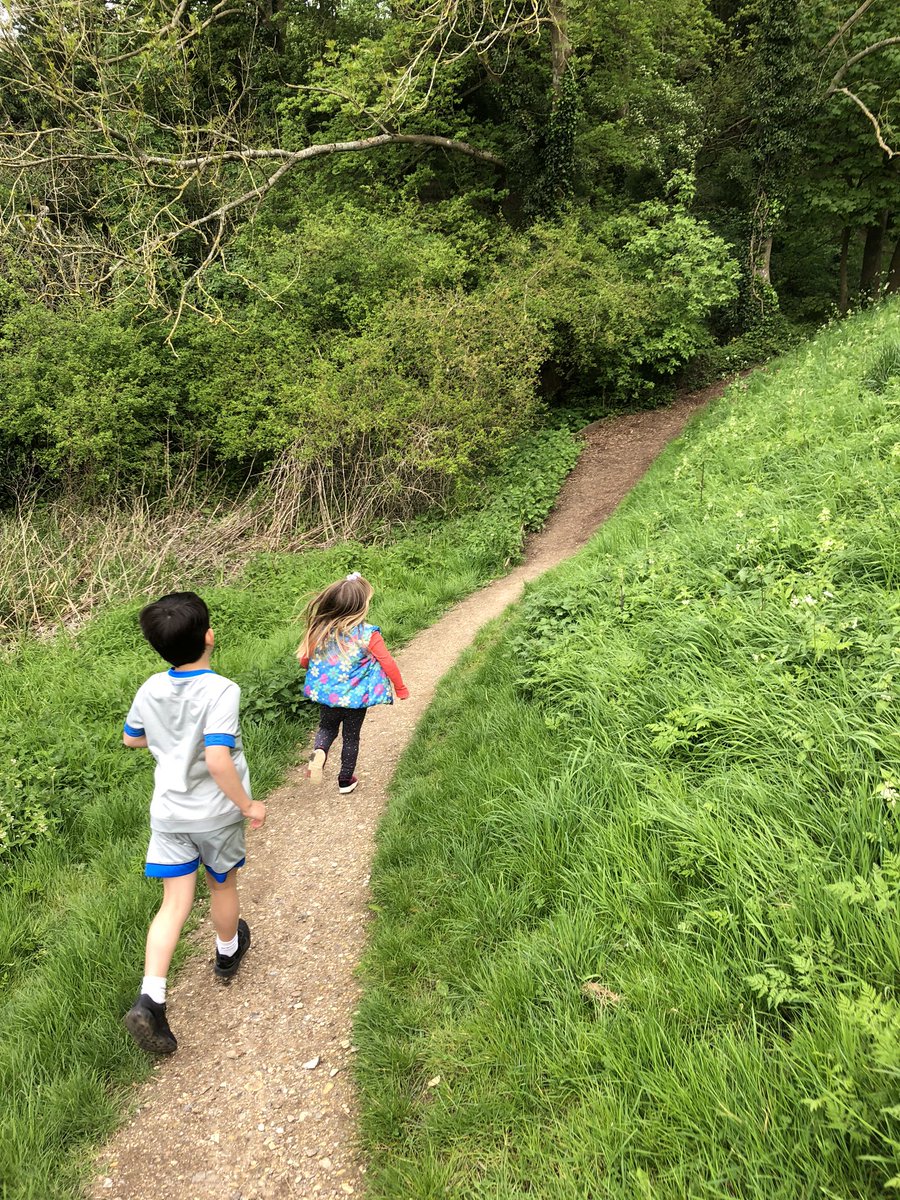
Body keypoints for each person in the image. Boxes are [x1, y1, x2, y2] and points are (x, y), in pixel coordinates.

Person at [121, 591, 266, 1055]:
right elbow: (218, 759)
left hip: (169, 814)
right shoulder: (221, 689)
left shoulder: (150, 687)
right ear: (209, 636)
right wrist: (248, 805)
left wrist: (170, 740)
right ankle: (227, 953)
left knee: (173, 904)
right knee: (222, 886)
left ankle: (151, 998)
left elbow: (132, 739)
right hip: (215, 815)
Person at [297, 573, 409, 793]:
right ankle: (345, 780)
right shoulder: (368, 634)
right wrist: (400, 687)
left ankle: (318, 753)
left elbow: (305, 661)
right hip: (355, 699)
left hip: (328, 696)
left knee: (326, 728)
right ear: (360, 607)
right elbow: (387, 661)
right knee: (350, 737)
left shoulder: (320, 631)